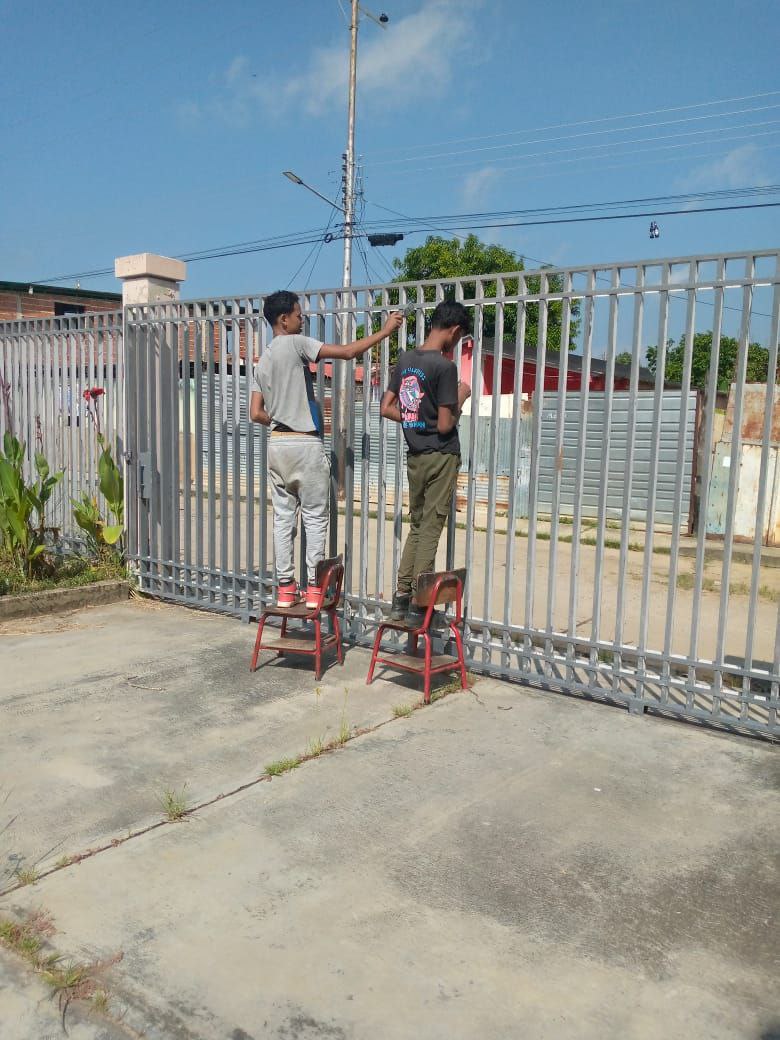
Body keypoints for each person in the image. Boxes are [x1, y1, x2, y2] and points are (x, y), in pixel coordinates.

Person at [250, 290, 402, 608]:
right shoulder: (296, 343)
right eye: (298, 315)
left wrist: (281, 420)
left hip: (277, 443)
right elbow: (347, 352)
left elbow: (255, 413)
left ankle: (285, 589)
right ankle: (314, 590)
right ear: (283, 320)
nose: (302, 319)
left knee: (283, 519)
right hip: (305, 443)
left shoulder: (262, 361)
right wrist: (385, 331)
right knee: (315, 517)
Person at [380, 300, 472, 626]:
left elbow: (386, 407)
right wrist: (461, 396)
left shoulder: (407, 359)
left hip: (415, 455)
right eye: (459, 338)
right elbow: (445, 425)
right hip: (441, 455)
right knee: (431, 528)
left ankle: (401, 598)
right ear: (455, 331)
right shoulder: (445, 368)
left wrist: (415, 418)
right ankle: (421, 606)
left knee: (417, 526)